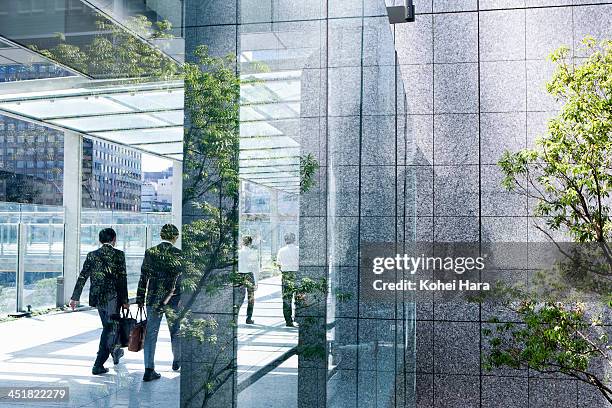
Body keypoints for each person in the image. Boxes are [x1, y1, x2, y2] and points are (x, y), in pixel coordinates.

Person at [70, 228, 129, 375]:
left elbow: (83, 276)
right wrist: (125, 300)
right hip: (112, 298)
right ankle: (98, 364)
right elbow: (122, 280)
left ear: (100, 240)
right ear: (114, 239)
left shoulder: (92, 255)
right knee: (109, 330)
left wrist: (75, 297)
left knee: (109, 327)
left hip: (97, 298)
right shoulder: (119, 255)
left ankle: (115, 351)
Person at [136, 224, 183, 382]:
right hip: (173, 299)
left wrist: (140, 299)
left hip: (153, 300)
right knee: (175, 330)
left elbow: (143, 278)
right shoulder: (179, 254)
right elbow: (180, 281)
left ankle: (149, 369)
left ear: (162, 235)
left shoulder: (151, 252)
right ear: (175, 237)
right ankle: (177, 361)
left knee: (151, 334)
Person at [276, 232, 299, 327]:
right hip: (297, 274)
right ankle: (298, 318)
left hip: (286, 275)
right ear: (294, 239)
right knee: (299, 297)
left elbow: (278, 264)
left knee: (286, 298)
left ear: (285, 240)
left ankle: (288, 321)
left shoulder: (281, 251)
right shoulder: (298, 250)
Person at [236, 235, 259, 324]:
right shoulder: (253, 252)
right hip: (249, 276)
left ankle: (235, 318)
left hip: (239, 275)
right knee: (250, 298)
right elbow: (255, 268)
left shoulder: (238, 252)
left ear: (242, 242)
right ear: (250, 243)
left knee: (238, 297)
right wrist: (256, 282)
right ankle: (248, 318)